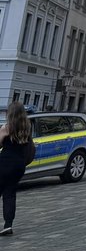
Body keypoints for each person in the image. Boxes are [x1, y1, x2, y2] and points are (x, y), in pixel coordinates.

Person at [0, 101, 35, 236]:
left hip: (4, 164)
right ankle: (8, 225)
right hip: (19, 165)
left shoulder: (6, 128)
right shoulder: (27, 128)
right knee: (10, 194)